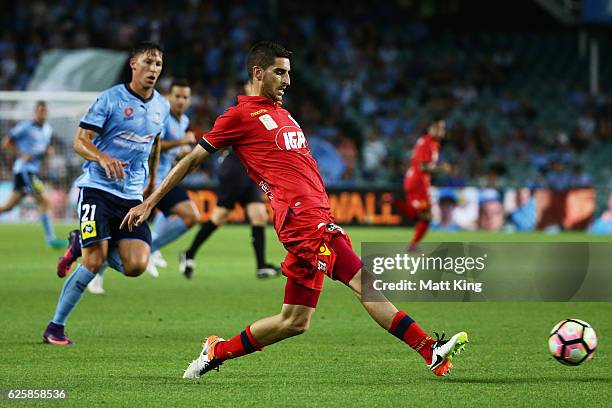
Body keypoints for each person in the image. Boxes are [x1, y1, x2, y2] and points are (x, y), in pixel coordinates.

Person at [121, 42, 468, 377]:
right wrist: (150, 202)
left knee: (294, 321)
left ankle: (216, 351)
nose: (287, 80)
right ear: (258, 72)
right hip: (303, 221)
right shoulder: (239, 116)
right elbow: (193, 159)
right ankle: (428, 349)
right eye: (279, 72)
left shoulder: (283, 114)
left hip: (316, 217)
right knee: (366, 281)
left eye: (288, 73)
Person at [44, 41, 169, 344]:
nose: (153, 69)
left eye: (158, 64)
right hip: (97, 190)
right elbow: (80, 140)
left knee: (137, 265)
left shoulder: (161, 106)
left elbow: (156, 144)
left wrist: (151, 181)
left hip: (131, 196)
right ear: (133, 64)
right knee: (94, 261)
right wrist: (102, 156)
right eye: (148, 62)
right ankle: (55, 327)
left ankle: (81, 241)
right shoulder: (110, 100)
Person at [179, 80, 280, 280]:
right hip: (235, 169)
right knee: (220, 216)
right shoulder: (242, 111)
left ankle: (261, 266)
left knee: (258, 215)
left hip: (251, 171)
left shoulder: (268, 110)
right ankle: (188, 254)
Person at [0, 101, 65, 248]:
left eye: (45, 111)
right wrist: (20, 154)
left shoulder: (47, 130)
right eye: (40, 111)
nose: (42, 113)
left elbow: (41, 150)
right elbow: (6, 142)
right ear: (35, 112)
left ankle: (51, 239)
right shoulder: (25, 127)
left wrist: (48, 152)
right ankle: (51, 239)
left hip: (32, 171)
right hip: (24, 170)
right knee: (44, 201)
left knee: (8, 207)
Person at [394, 117, 449, 250]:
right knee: (425, 215)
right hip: (418, 182)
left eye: (443, 128)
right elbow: (423, 166)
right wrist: (442, 168)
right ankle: (394, 202)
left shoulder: (428, 142)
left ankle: (413, 244)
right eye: (439, 128)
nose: (442, 131)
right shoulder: (428, 143)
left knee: (424, 215)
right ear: (431, 128)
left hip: (415, 179)